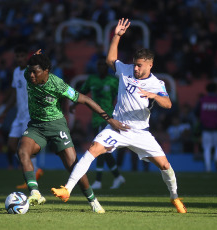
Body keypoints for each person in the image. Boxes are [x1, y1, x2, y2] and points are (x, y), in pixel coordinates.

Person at [51, 18, 187, 214]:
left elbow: (168, 104)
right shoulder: (126, 70)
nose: (136, 69)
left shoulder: (157, 84)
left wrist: (155, 96)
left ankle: (174, 197)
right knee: (93, 149)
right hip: (117, 127)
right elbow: (109, 60)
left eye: (140, 66)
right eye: (135, 65)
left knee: (165, 165)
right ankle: (67, 189)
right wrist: (116, 36)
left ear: (150, 64)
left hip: (141, 132)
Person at [16, 52, 127, 213]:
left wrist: (109, 120)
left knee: (74, 167)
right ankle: (35, 193)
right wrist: (33, 56)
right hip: (36, 126)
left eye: (35, 72)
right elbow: (26, 65)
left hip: (57, 127)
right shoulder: (27, 74)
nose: (31, 75)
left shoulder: (58, 85)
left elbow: (86, 100)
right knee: (22, 151)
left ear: (46, 70)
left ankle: (93, 201)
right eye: (30, 71)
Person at [75, 55, 125, 189]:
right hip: (96, 119)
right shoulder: (92, 80)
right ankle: (118, 176)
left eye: (104, 65)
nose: (101, 67)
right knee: (105, 150)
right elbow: (82, 93)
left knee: (100, 147)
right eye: (99, 65)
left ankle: (98, 180)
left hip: (108, 118)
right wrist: (73, 105)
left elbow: (121, 96)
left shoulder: (113, 81)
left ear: (107, 67)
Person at [0, 45, 43, 186]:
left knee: (26, 147)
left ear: (26, 57)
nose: (20, 58)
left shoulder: (31, 71)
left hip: (30, 115)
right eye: (18, 56)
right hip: (19, 115)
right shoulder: (16, 72)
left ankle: (32, 178)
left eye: (23, 56)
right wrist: (5, 111)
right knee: (11, 146)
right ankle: (34, 169)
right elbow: (15, 95)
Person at [195, 82, 217, 172]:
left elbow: (196, 112)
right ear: (216, 90)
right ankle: (216, 158)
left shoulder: (202, 100)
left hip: (205, 128)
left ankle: (208, 168)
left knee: (207, 148)